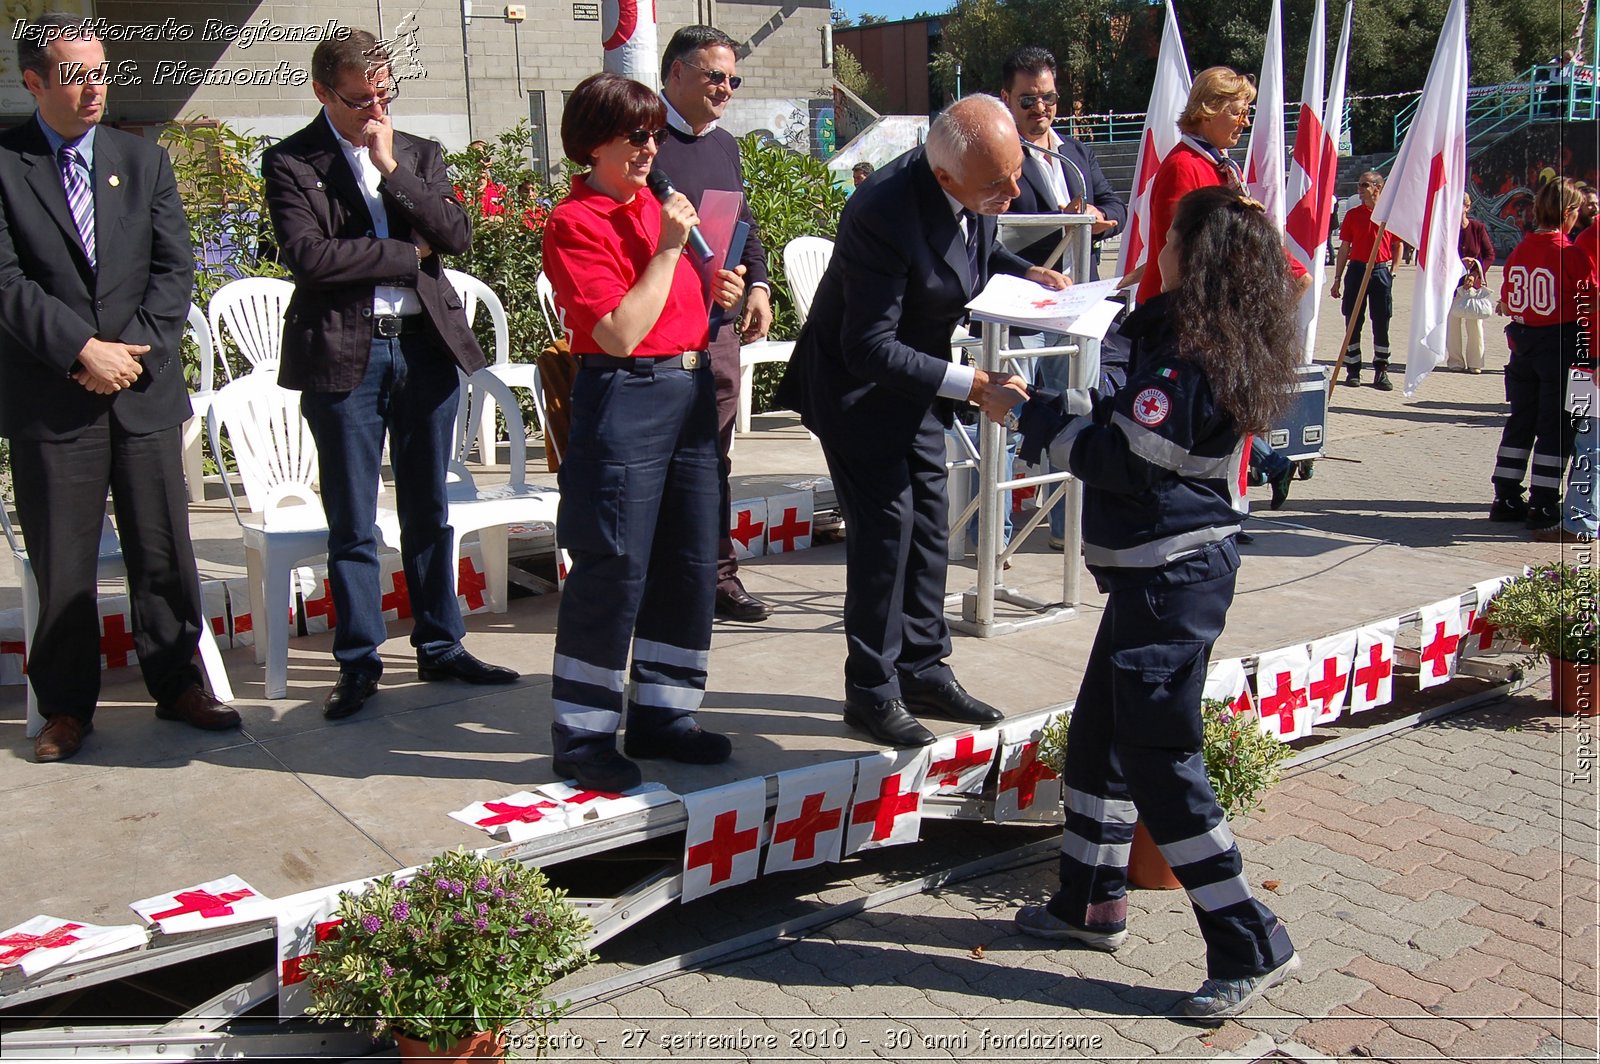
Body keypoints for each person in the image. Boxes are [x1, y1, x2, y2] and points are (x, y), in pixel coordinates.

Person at [989, 186, 1299, 1023]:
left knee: (1161, 759)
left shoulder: (1193, 357)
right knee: (1099, 737)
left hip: (1173, 578)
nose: (1156, 248)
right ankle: (1089, 903)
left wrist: (1038, 417)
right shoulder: (1188, 334)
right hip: (1152, 575)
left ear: (1195, 258)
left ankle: (1249, 938)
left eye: (1170, 238)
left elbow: (1128, 462)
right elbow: (1130, 405)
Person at [775, 95, 1067, 749]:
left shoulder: (975, 180)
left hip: (916, 391)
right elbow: (868, 348)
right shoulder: (882, 211)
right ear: (943, 177)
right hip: (856, 393)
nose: (1013, 192)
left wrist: (1033, 275)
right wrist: (976, 387)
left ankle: (924, 670)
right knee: (888, 536)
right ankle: (871, 691)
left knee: (930, 529)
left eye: (1016, 173)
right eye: (998, 184)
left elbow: (977, 251)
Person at [0, 13, 239, 762]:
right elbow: (6, 283)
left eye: (100, 71)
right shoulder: (5, 165)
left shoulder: (143, 162)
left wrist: (130, 354)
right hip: (54, 395)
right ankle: (67, 708)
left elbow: (174, 271)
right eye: (74, 74)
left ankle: (179, 684)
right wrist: (81, 350)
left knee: (162, 549)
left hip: (141, 390)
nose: (93, 87)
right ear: (34, 81)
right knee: (64, 560)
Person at [263, 31, 519, 720]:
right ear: (323, 92)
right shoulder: (294, 161)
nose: (375, 109)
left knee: (429, 510)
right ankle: (358, 660)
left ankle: (441, 644)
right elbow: (310, 258)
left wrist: (391, 171)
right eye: (358, 99)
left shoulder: (416, 153)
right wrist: (407, 257)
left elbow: (457, 235)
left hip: (425, 348)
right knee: (351, 517)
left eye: (385, 94)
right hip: (345, 352)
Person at [541, 73, 747, 790]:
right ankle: (584, 736)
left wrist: (717, 284)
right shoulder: (577, 223)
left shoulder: (660, 207)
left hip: (687, 391)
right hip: (627, 394)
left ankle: (665, 713)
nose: (650, 148)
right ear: (592, 143)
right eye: (635, 136)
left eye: (655, 134)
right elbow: (621, 332)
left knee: (689, 559)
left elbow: (678, 303)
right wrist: (666, 250)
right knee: (614, 566)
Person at [655, 25, 774, 623]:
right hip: (655, 335)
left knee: (712, 459)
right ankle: (664, 579)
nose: (725, 89)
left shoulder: (724, 144)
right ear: (675, 73)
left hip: (717, 331)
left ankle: (717, 576)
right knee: (659, 461)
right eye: (713, 77)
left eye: (733, 79)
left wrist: (757, 283)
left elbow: (742, 223)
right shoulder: (642, 144)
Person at [999, 46, 1127, 549]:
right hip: (1023, 311)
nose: (1040, 110)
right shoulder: (998, 154)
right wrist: (1030, 263)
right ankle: (997, 536)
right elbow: (984, 234)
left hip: (1079, 311)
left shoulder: (1075, 154)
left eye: (1048, 99)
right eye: (1027, 100)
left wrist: (1097, 213)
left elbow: (1114, 202)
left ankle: (1066, 528)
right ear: (1005, 99)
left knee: (1078, 413)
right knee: (1009, 419)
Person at [1491, 177, 1593, 536]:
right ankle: (1544, 499)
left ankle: (1505, 496)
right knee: (1556, 426)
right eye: (1577, 211)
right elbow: (1591, 300)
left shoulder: (1520, 250)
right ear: (1567, 213)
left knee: (1521, 420)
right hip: (1558, 345)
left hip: (1522, 345)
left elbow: (1506, 299)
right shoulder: (1570, 253)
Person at [1133, 67, 1255, 305]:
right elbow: (1179, 252)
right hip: (1177, 309)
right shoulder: (1183, 166)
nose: (1246, 122)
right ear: (1208, 111)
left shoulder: (1223, 165)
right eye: (1239, 114)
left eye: (1247, 113)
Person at [1331, 171, 1400, 390]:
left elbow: (1398, 245)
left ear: (1377, 188)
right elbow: (1344, 248)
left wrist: (1393, 271)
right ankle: (1353, 369)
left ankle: (1381, 370)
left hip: (1380, 271)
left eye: (1364, 185)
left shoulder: (1389, 215)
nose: (1359, 189)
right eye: (1359, 185)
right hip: (1357, 269)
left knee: (1381, 321)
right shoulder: (1353, 215)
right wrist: (1337, 278)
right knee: (1353, 320)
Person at [1446, 193, 1496, 374]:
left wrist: (1475, 271)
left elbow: (1490, 255)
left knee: (1474, 323)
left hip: (1472, 284)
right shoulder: (1447, 229)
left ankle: (1476, 362)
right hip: (1452, 283)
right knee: (1452, 322)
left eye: (1460, 205)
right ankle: (1455, 361)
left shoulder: (1477, 228)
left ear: (1467, 207)